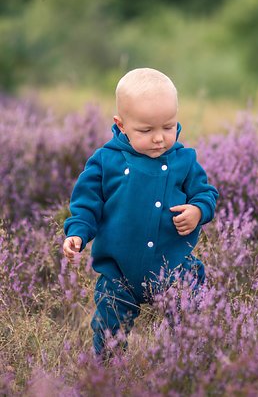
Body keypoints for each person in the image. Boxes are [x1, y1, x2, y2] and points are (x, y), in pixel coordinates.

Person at [63, 68, 218, 358]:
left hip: (172, 266)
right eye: (146, 130)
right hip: (118, 271)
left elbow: (206, 193)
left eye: (168, 127)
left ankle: (190, 365)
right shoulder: (105, 161)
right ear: (121, 125)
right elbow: (86, 204)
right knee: (109, 329)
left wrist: (198, 210)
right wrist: (77, 234)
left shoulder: (184, 160)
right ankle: (108, 378)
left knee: (190, 321)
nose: (159, 138)